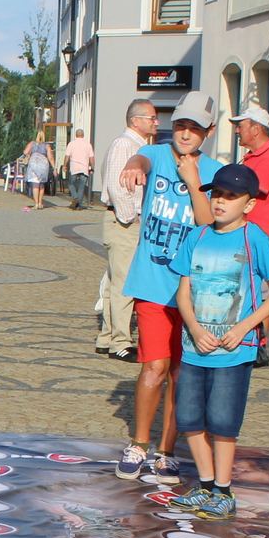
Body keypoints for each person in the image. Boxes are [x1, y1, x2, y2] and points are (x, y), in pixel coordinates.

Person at [163, 163, 269, 521]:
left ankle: (223, 490)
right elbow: (183, 292)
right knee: (189, 420)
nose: (221, 201)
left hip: (235, 352)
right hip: (194, 347)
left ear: (248, 204)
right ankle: (203, 486)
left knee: (223, 423)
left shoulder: (255, 238)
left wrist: (245, 327)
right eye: (216, 193)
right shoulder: (197, 236)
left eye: (231, 196)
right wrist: (194, 329)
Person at [116, 89, 222, 482]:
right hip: (153, 281)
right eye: (180, 125)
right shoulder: (158, 154)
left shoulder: (213, 171)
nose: (185, 133)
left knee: (182, 371)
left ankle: (167, 449)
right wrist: (133, 162)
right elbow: (143, 156)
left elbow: (207, 221)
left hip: (193, 289)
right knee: (154, 365)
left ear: (207, 132)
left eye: (194, 127)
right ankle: (139, 443)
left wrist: (194, 181)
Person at [97, 99, 155, 362]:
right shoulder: (125, 145)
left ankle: (107, 337)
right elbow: (119, 185)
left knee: (114, 281)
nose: (156, 122)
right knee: (124, 283)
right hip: (123, 223)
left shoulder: (139, 145)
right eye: (151, 117)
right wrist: (130, 217)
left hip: (122, 222)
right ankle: (121, 341)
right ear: (135, 120)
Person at [230, 105, 269, 242]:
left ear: (255, 130)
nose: (237, 131)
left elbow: (248, 192)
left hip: (256, 236)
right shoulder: (254, 156)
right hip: (244, 233)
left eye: (240, 126)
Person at [64, 126, 95, 210]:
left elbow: (67, 155)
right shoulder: (88, 145)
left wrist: (65, 165)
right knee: (81, 186)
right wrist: (92, 168)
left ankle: (75, 197)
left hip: (74, 167)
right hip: (84, 168)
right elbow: (91, 157)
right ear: (83, 135)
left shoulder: (71, 144)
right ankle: (79, 205)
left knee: (71, 184)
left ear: (75, 135)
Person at [22, 134, 52, 210]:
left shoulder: (32, 143)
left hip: (34, 164)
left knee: (35, 184)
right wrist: (54, 167)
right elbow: (50, 157)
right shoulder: (47, 145)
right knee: (41, 184)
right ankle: (40, 202)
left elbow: (25, 152)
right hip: (43, 165)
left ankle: (36, 203)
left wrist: (30, 153)